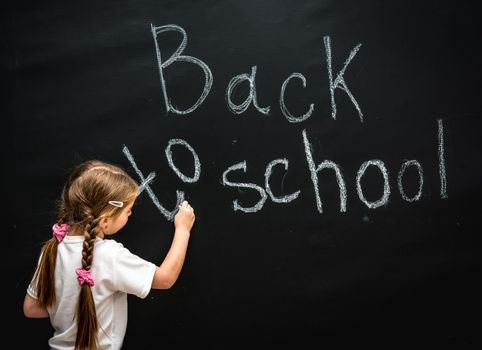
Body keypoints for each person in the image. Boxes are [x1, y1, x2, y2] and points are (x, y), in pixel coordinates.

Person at [23, 159, 195, 350]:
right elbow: (165, 279)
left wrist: (69, 307)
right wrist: (183, 229)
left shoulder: (53, 248)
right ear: (104, 221)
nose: (130, 214)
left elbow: (31, 309)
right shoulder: (109, 255)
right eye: (128, 211)